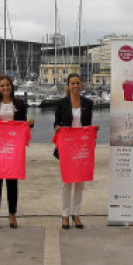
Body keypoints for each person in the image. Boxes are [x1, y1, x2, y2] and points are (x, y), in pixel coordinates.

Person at [0, 75, 33, 229]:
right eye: (2, 86)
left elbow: (23, 125)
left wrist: (29, 124)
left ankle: (12, 214)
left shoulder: (19, 104)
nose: (5, 88)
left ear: (12, 86)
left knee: (12, 181)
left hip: (13, 148)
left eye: (7, 85)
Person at [53, 73, 96, 230]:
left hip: (82, 148)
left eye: (78, 83)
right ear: (68, 86)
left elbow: (87, 125)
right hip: (67, 148)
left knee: (80, 183)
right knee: (67, 183)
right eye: (73, 83)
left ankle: (76, 214)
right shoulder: (61, 103)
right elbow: (56, 123)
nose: (76, 86)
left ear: (81, 85)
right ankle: (65, 215)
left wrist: (93, 129)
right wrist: (57, 128)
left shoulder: (89, 103)